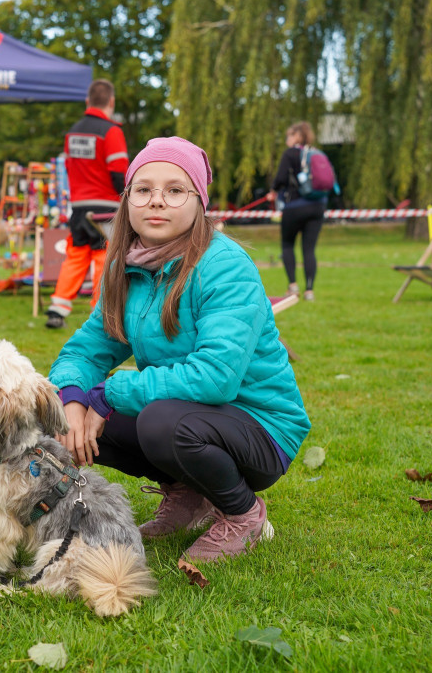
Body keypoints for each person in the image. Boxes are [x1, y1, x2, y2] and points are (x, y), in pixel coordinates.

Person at [48, 137, 310, 569]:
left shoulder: (224, 265)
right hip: (188, 415)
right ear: (127, 198)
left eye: (174, 190)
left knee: (158, 421)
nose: (157, 202)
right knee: (83, 417)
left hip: (261, 428)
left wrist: (112, 392)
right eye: (144, 189)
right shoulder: (125, 266)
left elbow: (216, 377)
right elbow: (86, 349)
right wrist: (72, 397)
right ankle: (188, 494)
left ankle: (243, 513)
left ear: (199, 202)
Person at [45, 79, 129, 329]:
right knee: (105, 257)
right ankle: (100, 311)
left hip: (79, 206)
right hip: (105, 206)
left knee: (76, 256)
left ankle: (57, 308)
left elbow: (69, 168)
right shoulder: (112, 131)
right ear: (111, 102)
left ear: (87, 101)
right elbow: (118, 173)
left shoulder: (73, 133)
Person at [267, 121, 326, 301]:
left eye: (289, 135)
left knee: (287, 245)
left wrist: (273, 191)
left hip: (295, 206)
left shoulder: (290, 154)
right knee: (309, 249)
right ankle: (309, 290)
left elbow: (282, 177)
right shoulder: (316, 153)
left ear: (297, 136)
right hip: (317, 206)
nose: (287, 139)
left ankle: (293, 286)